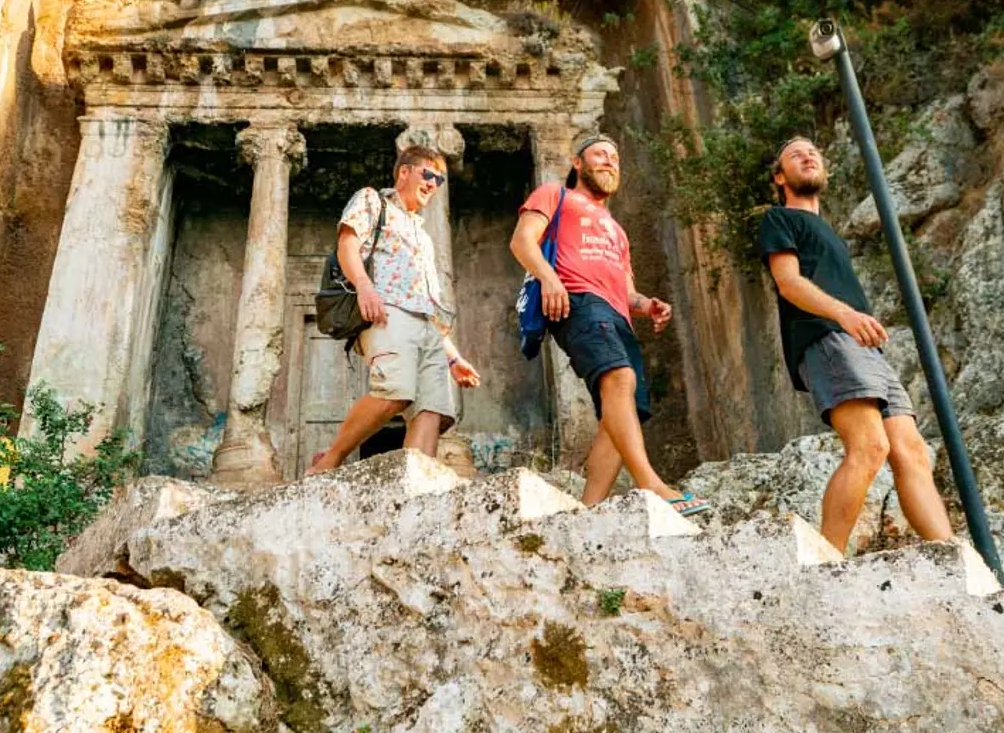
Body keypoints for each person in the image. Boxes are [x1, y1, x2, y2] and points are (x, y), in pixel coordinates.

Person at [758, 136, 955, 551]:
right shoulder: (780, 219)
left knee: (912, 452)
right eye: (795, 154)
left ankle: (952, 556)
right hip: (825, 335)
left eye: (814, 151)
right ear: (780, 176)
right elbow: (788, 283)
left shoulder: (827, 231)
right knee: (869, 446)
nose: (808, 155)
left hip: (863, 348)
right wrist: (843, 314)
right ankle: (827, 560)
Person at [510, 134, 711, 517]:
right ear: (578, 163)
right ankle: (652, 485)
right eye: (600, 154)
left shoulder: (617, 230)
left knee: (621, 412)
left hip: (616, 315)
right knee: (619, 378)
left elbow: (627, 289)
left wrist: (645, 305)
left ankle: (589, 510)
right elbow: (522, 242)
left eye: (615, 157)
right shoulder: (556, 195)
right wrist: (550, 280)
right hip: (577, 301)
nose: (609, 162)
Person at [307, 144, 482, 474]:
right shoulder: (373, 200)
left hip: (427, 328)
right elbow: (348, 243)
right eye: (427, 174)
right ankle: (330, 459)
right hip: (387, 313)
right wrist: (364, 286)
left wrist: (454, 357)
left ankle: (416, 487)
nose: (432, 183)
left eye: (439, 180)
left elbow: (427, 304)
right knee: (396, 392)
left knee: (433, 410)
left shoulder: (423, 235)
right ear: (404, 172)